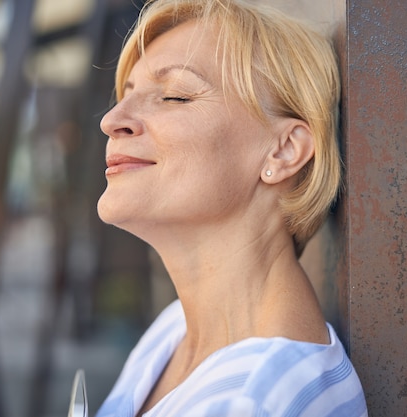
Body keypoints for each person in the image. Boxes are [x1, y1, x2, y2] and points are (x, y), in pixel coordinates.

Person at [95, 0, 367, 415]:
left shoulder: (262, 400)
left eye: (175, 96)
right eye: (127, 95)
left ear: (283, 151)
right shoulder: (173, 333)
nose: (113, 119)